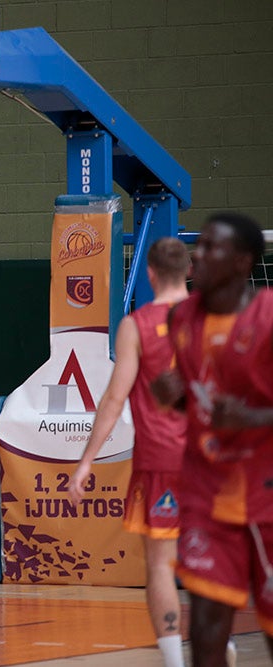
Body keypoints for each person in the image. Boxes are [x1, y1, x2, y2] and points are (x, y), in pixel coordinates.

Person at [153, 212, 273, 666]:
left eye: (209, 247)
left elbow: (238, 414)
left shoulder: (268, 318)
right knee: (205, 635)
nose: (195, 255)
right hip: (209, 494)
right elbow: (204, 404)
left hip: (266, 494)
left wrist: (252, 417)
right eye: (195, 245)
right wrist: (178, 398)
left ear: (243, 262)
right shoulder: (182, 318)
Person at [67, 237, 190, 667]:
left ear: (150, 274)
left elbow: (115, 399)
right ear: (189, 271)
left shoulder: (136, 325)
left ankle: (176, 660)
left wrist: (86, 462)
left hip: (162, 461)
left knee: (161, 563)